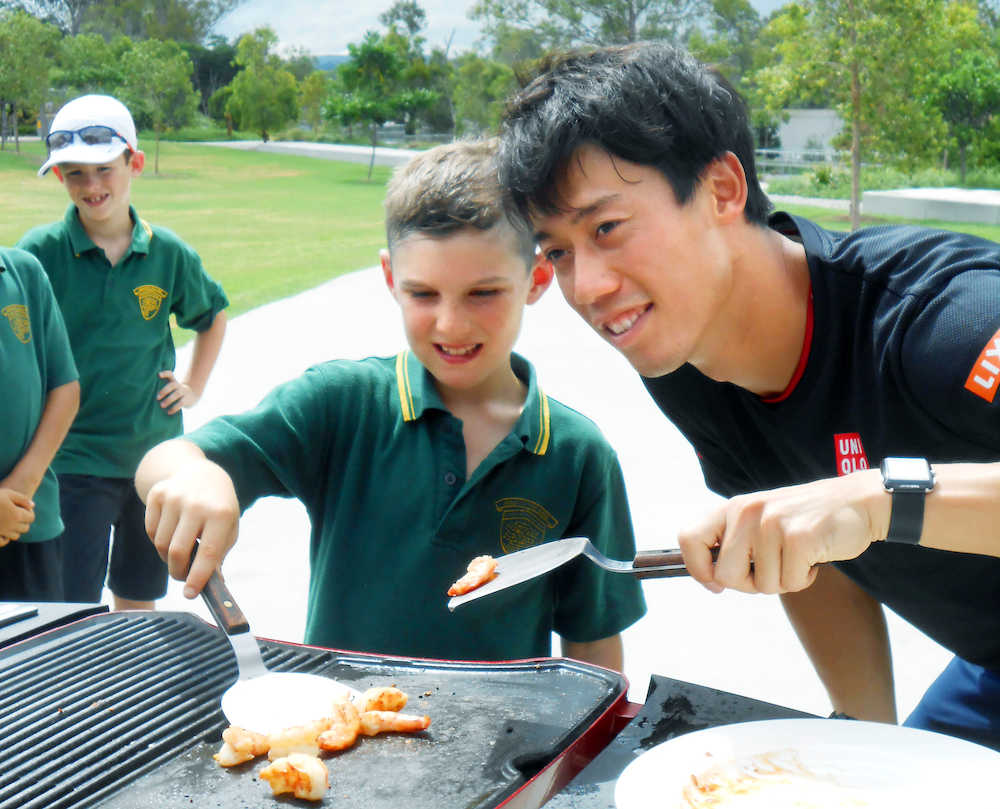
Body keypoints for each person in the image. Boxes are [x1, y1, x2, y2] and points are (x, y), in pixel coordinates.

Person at [495, 42, 1000, 749]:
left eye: (607, 228)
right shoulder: (688, 365)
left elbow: (846, 513)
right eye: (560, 252)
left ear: (723, 190)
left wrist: (874, 499)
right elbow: (811, 562)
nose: (589, 287)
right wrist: (865, 748)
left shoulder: (944, 320)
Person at [134, 139, 646, 668]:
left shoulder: (577, 455)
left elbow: (594, 642)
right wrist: (196, 476)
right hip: (342, 733)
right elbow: (162, 462)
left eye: (483, 293)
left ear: (535, 278)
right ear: (389, 278)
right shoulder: (341, 405)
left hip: (507, 745)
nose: (451, 324)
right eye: (423, 294)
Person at [18, 94, 229, 610]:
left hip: (153, 458)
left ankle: (121, 687)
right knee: (68, 605)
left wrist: (194, 386)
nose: (91, 187)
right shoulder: (38, 253)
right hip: (71, 459)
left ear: (133, 163)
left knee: (138, 596)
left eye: (103, 170)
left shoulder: (168, 253)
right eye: (74, 174)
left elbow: (212, 315)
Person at [0, 246, 80, 601]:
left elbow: (64, 387)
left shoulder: (23, 272)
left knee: (39, 651)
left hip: (29, 520)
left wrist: (19, 490)